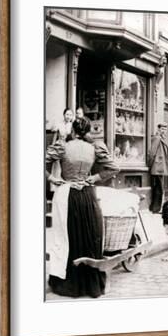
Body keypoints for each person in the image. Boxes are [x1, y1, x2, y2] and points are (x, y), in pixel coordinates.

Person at [45, 117, 119, 298]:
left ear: (72, 130)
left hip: (67, 193)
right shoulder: (95, 147)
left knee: (66, 237)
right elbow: (113, 168)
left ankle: (67, 282)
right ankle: (89, 283)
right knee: (88, 236)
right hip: (87, 194)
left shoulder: (62, 146)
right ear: (86, 131)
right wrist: (92, 179)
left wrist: (52, 178)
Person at [148, 123, 168, 213]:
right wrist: (150, 165)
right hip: (157, 167)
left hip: (160, 166)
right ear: (158, 129)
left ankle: (155, 207)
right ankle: (156, 208)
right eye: (162, 129)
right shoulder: (157, 138)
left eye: (165, 129)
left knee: (158, 188)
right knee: (159, 188)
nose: (164, 131)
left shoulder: (161, 139)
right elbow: (152, 153)